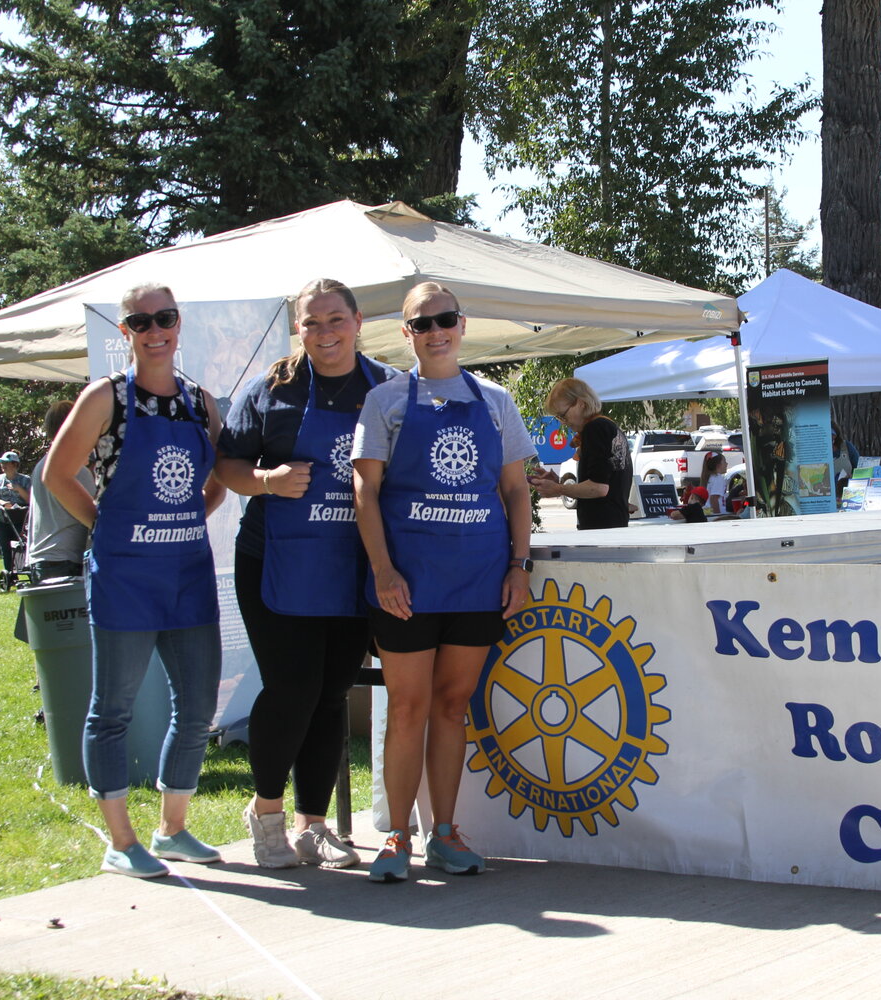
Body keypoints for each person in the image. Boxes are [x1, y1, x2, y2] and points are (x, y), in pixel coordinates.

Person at [44, 282, 228, 879]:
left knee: (199, 706)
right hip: (124, 576)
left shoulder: (199, 401)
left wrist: (191, 515)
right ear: (124, 331)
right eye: (141, 321)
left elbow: (221, 475)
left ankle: (172, 829)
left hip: (189, 576)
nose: (155, 330)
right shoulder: (106, 398)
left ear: (179, 324)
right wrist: (104, 522)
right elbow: (56, 473)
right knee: (112, 710)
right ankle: (120, 842)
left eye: (166, 318)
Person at [353, 281, 534, 883]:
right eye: (421, 324)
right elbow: (367, 491)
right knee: (407, 707)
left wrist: (518, 566)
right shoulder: (385, 401)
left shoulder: (497, 401)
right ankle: (396, 837)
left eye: (445, 319)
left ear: (462, 324)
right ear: (406, 333)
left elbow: (515, 489)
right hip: (407, 581)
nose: (435, 332)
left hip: (479, 578)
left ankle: (446, 833)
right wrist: (382, 570)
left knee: (452, 706)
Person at [215, 278, 395, 870]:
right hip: (276, 560)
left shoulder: (388, 388)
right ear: (298, 328)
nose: (324, 333)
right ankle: (266, 814)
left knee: (330, 696)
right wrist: (265, 481)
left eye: (335, 320)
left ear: (358, 320)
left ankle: (313, 825)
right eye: (311, 323)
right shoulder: (272, 390)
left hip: (351, 563)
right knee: (292, 689)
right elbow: (229, 463)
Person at [529, 379, 632, 529]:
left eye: (563, 415)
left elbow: (598, 488)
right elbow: (604, 481)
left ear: (581, 403)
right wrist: (558, 482)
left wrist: (558, 489)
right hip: (612, 525)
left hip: (602, 529)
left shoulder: (595, 429)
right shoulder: (606, 426)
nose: (563, 422)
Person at [28, 400, 93, 581]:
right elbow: (95, 518)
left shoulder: (43, 465)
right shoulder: (75, 469)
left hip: (43, 558)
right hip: (64, 560)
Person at [0, 451, 31, 586]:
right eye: (2, 463)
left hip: (20, 518)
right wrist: (2, 503)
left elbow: (30, 499)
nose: (3, 466)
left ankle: (22, 570)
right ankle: (10, 575)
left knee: (20, 546)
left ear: (15, 464)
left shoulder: (25, 480)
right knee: (5, 548)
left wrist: (18, 489)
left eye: (6, 463)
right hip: (1, 519)